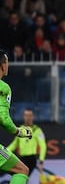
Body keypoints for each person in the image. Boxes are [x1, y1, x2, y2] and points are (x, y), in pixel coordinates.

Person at [0, 50, 33, 184]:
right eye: (7, 63)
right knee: (21, 170)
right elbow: (3, 118)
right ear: (2, 66)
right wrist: (19, 131)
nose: (8, 66)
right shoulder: (3, 87)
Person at [7, 108, 47, 176]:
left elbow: (43, 146)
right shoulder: (20, 129)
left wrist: (41, 161)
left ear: (33, 117)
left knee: (22, 177)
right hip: (22, 158)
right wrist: (4, 152)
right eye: (26, 115)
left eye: (30, 115)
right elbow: (14, 145)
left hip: (31, 159)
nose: (28, 117)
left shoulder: (37, 130)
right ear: (23, 116)